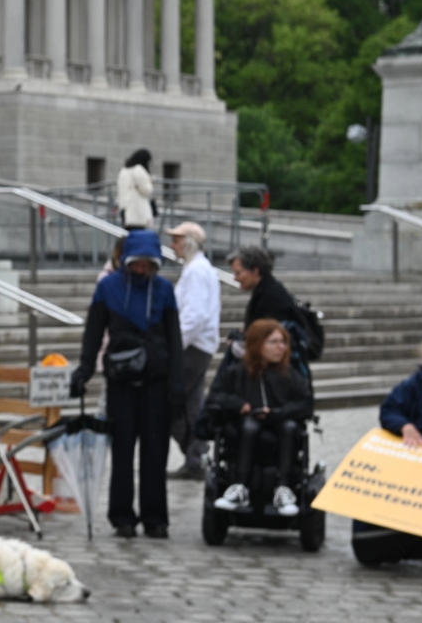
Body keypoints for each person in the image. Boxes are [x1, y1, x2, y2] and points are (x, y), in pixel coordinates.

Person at [73, 229, 182, 537]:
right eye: (137, 263)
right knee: (121, 451)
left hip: (155, 383)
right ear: (127, 261)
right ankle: (122, 516)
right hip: (121, 381)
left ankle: (155, 517)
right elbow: (94, 332)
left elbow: (174, 338)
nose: (142, 269)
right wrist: (84, 369)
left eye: (148, 264)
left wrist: (177, 385)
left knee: (155, 451)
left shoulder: (163, 289)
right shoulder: (108, 288)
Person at [205, 320, 314, 517]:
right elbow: (215, 396)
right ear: (257, 344)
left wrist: (277, 412)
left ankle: (283, 487)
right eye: (273, 342)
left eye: (283, 342)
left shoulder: (290, 374)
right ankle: (240, 485)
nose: (281, 347)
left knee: (289, 427)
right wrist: (238, 404)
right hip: (246, 427)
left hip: (281, 425)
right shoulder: (238, 371)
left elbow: (305, 403)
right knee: (249, 426)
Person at [168, 221, 220, 479]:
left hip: (192, 347)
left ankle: (195, 455)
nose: (172, 246)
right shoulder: (198, 269)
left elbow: (194, 317)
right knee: (192, 402)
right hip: (197, 345)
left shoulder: (197, 271)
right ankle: (196, 456)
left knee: (173, 403)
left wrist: (175, 347)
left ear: (188, 242)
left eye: (177, 241)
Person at [115, 149, 154, 229]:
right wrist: (150, 182)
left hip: (124, 210)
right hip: (137, 213)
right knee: (139, 237)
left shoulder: (124, 171)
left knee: (128, 237)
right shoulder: (138, 170)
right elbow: (147, 190)